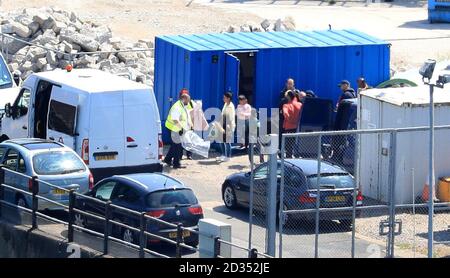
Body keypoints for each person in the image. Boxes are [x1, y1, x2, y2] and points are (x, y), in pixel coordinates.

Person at [164, 90, 192, 169]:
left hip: (175, 128)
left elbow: (183, 117)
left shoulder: (182, 105)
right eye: (188, 100)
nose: (188, 102)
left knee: (174, 145)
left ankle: (167, 159)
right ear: (184, 99)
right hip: (173, 128)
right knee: (177, 146)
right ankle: (176, 164)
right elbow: (175, 120)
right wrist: (181, 128)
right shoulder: (177, 107)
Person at [282, 90, 302, 158]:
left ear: (288, 97)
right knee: (296, 143)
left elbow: (286, 114)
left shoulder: (286, 106)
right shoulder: (300, 104)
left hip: (288, 127)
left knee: (288, 145)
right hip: (297, 127)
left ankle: (288, 158)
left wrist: (290, 120)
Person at [217, 92, 236, 162]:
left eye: (224, 97)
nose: (223, 98)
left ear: (228, 98)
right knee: (221, 140)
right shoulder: (225, 104)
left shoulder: (231, 106)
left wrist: (228, 127)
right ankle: (223, 155)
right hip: (223, 125)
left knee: (227, 142)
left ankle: (228, 157)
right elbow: (223, 115)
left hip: (228, 126)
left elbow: (230, 118)